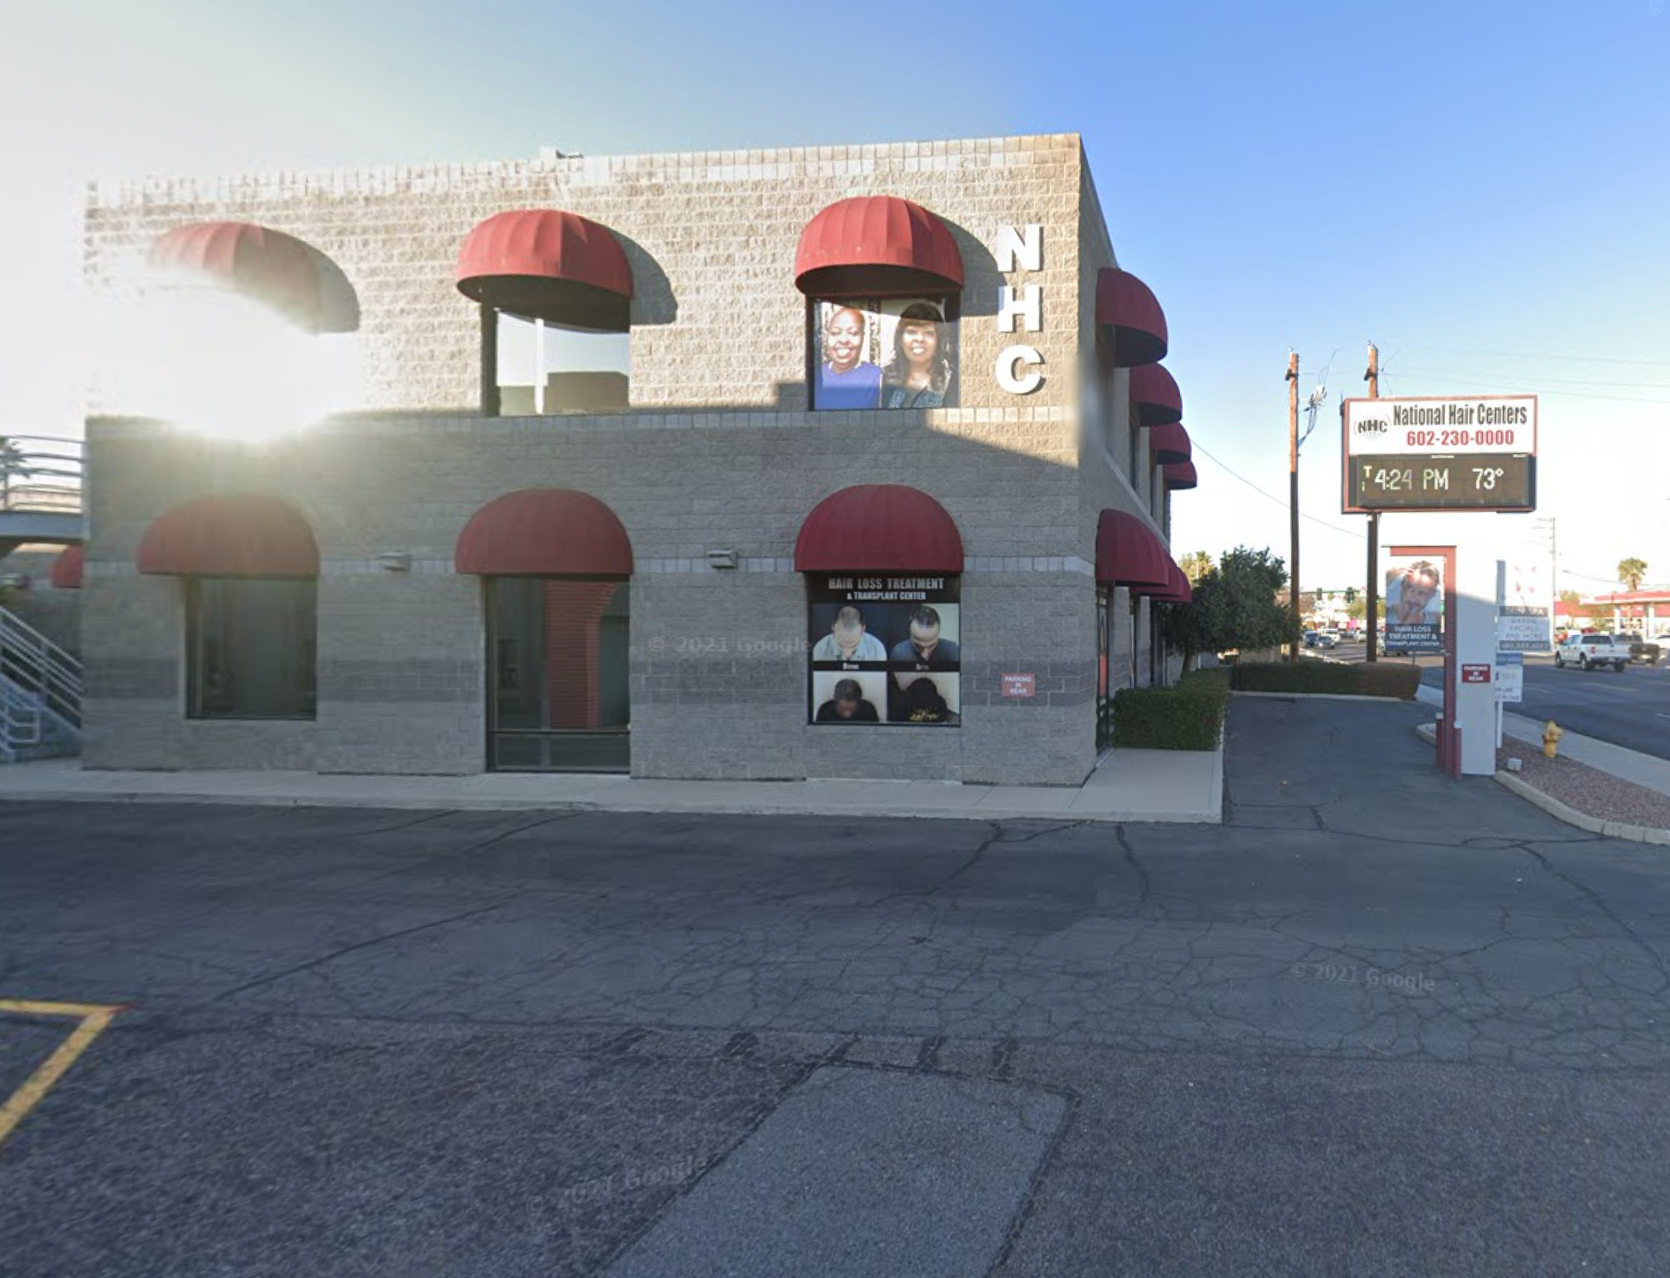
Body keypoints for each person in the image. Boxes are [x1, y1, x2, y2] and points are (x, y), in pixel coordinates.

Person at [880, 302, 955, 408]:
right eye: (912, 332)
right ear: (900, 339)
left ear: (938, 341)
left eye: (928, 333)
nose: (920, 339)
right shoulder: (883, 378)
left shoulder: (952, 382)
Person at [814, 305, 882, 409]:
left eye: (853, 333)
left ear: (863, 337)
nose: (844, 340)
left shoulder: (877, 376)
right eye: (836, 333)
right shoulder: (815, 376)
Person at [889, 605, 960, 667]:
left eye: (932, 645)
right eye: (918, 645)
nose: (924, 656)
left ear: (938, 634)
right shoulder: (898, 653)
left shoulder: (952, 651)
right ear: (910, 634)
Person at [811, 605, 887, 661]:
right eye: (840, 645)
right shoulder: (820, 649)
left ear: (863, 629)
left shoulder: (876, 648)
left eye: (853, 645)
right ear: (833, 627)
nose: (847, 654)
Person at [1387, 560, 1441, 625]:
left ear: (1432, 594)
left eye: (1421, 593)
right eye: (1409, 588)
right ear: (1402, 585)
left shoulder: (1435, 620)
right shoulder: (1385, 615)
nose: (1413, 598)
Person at [815, 678, 880, 723]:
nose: (847, 714)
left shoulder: (868, 710)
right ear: (835, 702)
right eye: (842, 708)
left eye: (851, 709)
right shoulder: (825, 710)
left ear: (859, 702)